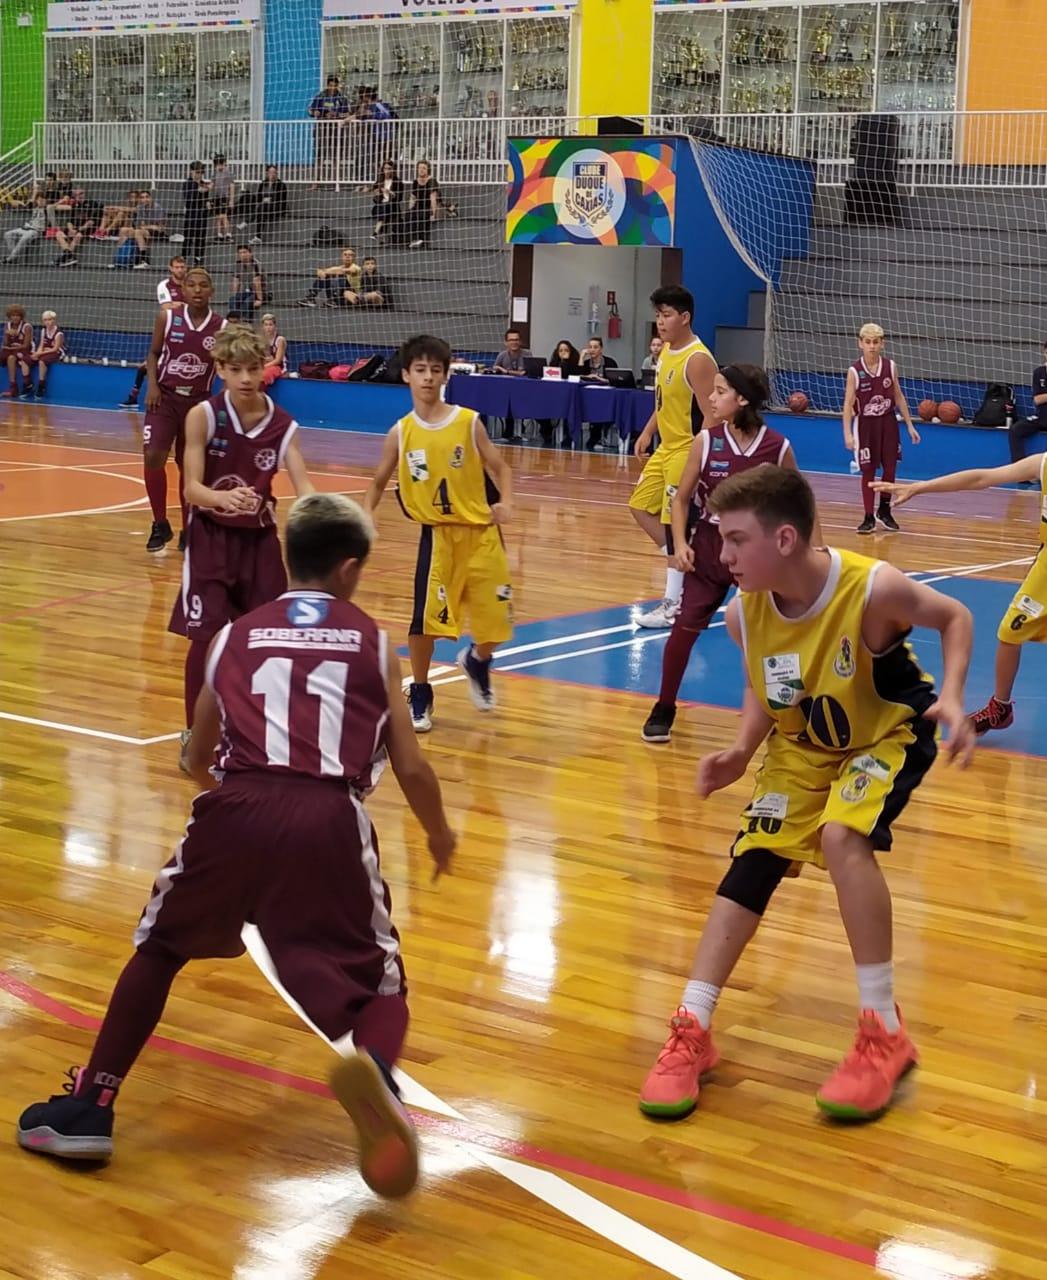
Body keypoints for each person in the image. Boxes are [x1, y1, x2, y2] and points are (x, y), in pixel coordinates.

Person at [17, 490, 457, 1202]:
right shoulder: (373, 643)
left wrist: (230, 811)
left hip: (234, 806)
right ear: (350, 569)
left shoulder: (234, 636)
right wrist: (438, 834)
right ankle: (375, 1073)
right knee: (381, 986)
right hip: (327, 817)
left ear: (288, 557)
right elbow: (410, 766)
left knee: (160, 948)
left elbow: (196, 753)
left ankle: (91, 1106)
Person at [638, 466, 974, 1125]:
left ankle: (883, 1031)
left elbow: (955, 617)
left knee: (841, 836)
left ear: (785, 538)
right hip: (802, 746)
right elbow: (764, 686)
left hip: (884, 733)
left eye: (736, 540)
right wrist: (740, 751)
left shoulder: (871, 588)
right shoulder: (744, 613)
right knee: (753, 858)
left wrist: (956, 698)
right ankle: (691, 1025)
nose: (723, 555)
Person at [640, 364, 815, 744]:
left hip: (759, 553)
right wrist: (680, 544)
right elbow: (681, 499)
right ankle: (664, 706)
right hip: (708, 547)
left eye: (721, 392)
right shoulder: (705, 441)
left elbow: (801, 500)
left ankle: (786, 713)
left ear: (743, 399)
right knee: (683, 629)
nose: (712, 398)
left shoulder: (777, 446)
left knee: (774, 636)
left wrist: (813, 549)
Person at [168, 325, 314, 768]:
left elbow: (305, 488)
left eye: (253, 368)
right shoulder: (203, 416)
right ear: (220, 370)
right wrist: (221, 498)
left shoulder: (284, 425)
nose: (247, 378)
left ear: (265, 367)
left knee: (269, 639)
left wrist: (324, 517)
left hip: (259, 542)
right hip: (210, 539)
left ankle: (262, 732)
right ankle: (195, 733)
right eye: (236, 370)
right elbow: (191, 489)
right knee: (206, 638)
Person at [362, 333, 513, 733]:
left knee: (498, 619)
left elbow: (501, 468)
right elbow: (377, 482)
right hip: (438, 537)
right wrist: (367, 515)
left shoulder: (468, 421)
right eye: (420, 370)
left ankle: (478, 660)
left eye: (435, 370)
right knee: (424, 622)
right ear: (406, 375)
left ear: (445, 375)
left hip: (482, 533)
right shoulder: (401, 432)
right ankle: (421, 689)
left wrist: (507, 501)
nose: (428, 377)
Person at [872, 451, 1047, 736]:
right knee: (1009, 633)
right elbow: (981, 477)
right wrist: (920, 487)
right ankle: (1000, 708)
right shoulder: (1043, 463)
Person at [630, 285, 717, 628]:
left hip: (686, 450)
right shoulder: (666, 350)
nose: (660, 322)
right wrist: (647, 431)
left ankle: (673, 603)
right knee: (639, 506)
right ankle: (687, 560)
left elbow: (713, 413)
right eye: (657, 315)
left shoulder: (698, 359)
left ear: (685, 317)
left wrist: (700, 457)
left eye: (666, 315)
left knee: (673, 525)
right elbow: (664, 401)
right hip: (664, 448)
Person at [142, 268, 225, 553]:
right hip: (164, 397)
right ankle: (159, 523)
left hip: (198, 404)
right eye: (191, 285)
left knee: (188, 466)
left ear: (212, 291)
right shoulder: (167, 317)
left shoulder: (222, 326)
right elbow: (153, 353)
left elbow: (227, 365)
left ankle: (190, 529)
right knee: (153, 456)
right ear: (184, 290)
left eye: (203, 285)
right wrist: (152, 386)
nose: (197, 290)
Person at [841, 322, 921, 534]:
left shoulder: (890, 367)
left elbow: (899, 396)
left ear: (882, 344)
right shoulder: (854, 371)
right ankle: (868, 516)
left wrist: (910, 425)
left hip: (888, 422)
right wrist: (847, 434)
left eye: (875, 342)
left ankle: (884, 510)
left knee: (890, 467)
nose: (872, 346)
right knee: (868, 470)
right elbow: (848, 404)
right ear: (860, 343)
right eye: (868, 342)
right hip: (866, 425)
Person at [121, 258, 190, 409]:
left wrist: (177, 305)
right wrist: (182, 305)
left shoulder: (190, 284)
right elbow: (166, 307)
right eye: (177, 267)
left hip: (188, 332)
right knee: (146, 366)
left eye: (182, 267)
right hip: (168, 330)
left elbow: (192, 308)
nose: (180, 270)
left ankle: (179, 402)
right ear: (170, 268)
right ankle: (133, 397)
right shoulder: (164, 285)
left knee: (179, 367)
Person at [1007, 340, 1047, 465]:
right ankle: (1019, 468)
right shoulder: (1039, 372)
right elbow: (1037, 400)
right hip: (1041, 417)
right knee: (1015, 430)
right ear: (1044, 353)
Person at [308, 75, 350, 188]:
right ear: (327, 85)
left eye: (335, 86)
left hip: (336, 130)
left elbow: (347, 114)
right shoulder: (320, 96)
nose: (333, 88)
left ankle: (336, 181)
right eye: (331, 86)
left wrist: (337, 115)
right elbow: (310, 110)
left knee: (336, 155)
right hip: (322, 129)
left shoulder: (342, 98)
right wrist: (315, 113)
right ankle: (316, 181)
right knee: (319, 155)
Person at [110, 190, 167, 271]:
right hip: (144, 230)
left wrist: (147, 226)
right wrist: (143, 226)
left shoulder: (158, 208)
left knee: (138, 232)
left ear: (151, 198)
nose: (145, 199)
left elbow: (160, 227)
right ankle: (119, 258)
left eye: (147, 197)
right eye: (142, 198)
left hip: (157, 233)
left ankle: (144, 261)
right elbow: (140, 224)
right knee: (124, 230)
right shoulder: (140, 208)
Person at [234, 164, 288, 245]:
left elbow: (282, 199)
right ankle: (257, 237)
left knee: (261, 208)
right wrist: (263, 200)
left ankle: (246, 223)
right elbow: (258, 197)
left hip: (277, 206)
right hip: (263, 207)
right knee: (261, 211)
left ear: (277, 173)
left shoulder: (281, 185)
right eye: (270, 172)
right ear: (267, 173)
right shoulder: (263, 183)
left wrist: (271, 200)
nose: (272, 174)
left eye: (274, 172)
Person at [296, 247, 362, 308]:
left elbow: (345, 271)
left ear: (354, 258)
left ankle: (335, 300)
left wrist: (325, 271)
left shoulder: (356, 268)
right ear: (342, 257)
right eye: (345, 255)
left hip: (350, 297)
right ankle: (311, 297)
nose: (347, 256)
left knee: (340, 275)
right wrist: (322, 272)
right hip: (339, 297)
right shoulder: (340, 267)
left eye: (350, 255)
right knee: (326, 276)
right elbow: (321, 271)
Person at [21, 310, 64, 399]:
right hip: (45, 351)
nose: (47, 322)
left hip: (56, 353)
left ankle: (41, 386)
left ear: (54, 320)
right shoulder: (43, 330)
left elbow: (55, 349)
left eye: (50, 319)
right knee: (25, 359)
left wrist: (40, 353)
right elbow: (41, 345)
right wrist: (37, 353)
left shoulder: (59, 333)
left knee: (42, 361)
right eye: (45, 320)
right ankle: (28, 384)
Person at [404, 160, 440, 249]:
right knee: (409, 214)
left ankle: (421, 239)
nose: (421, 170)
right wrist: (410, 209)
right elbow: (413, 197)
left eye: (424, 168)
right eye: (419, 168)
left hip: (428, 206)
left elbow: (433, 198)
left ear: (428, 170)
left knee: (422, 215)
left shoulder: (432, 181)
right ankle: (412, 239)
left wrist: (433, 213)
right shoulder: (415, 181)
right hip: (418, 205)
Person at [179, 162, 210, 266]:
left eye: (201, 172)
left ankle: (198, 259)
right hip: (191, 215)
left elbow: (205, 199)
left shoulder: (204, 184)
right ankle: (184, 258)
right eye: (197, 172)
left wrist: (208, 202)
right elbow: (188, 199)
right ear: (191, 171)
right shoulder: (188, 183)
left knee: (200, 238)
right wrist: (199, 191)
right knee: (188, 238)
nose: (199, 175)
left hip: (202, 215)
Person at [3, 193, 47, 263]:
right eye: (39, 200)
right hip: (26, 228)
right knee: (7, 234)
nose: (41, 202)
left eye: (43, 201)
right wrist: (20, 202)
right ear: (36, 201)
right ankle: (13, 256)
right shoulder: (33, 207)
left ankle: (10, 258)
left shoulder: (47, 209)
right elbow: (15, 203)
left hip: (36, 231)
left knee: (24, 238)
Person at [369, 160, 405, 244]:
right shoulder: (379, 180)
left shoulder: (398, 182)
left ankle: (376, 233)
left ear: (393, 169)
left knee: (386, 208)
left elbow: (400, 198)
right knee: (383, 209)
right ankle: (379, 234)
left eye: (389, 168)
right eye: (385, 168)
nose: (387, 171)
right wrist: (377, 194)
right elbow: (375, 199)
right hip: (380, 206)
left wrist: (391, 193)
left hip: (393, 207)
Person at [1, 304, 32, 398]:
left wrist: (10, 348)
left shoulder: (27, 326)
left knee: (14, 354)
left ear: (21, 316)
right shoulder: (7, 325)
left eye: (17, 315)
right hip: (13, 351)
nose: (15, 317)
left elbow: (26, 346)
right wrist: (7, 334)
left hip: (25, 350)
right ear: (9, 316)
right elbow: (5, 344)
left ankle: (27, 384)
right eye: (13, 315)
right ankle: (13, 388)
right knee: (9, 358)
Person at [228, 244, 267, 316]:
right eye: (240, 253)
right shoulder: (238, 264)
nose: (242, 255)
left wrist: (259, 299)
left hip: (258, 292)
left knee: (248, 302)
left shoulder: (255, 264)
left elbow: (257, 282)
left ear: (250, 253)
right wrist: (235, 295)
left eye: (245, 252)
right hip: (246, 292)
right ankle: (234, 319)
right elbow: (236, 281)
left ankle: (245, 320)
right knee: (233, 300)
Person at [209, 155, 235, 242]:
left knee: (224, 216)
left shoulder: (228, 173)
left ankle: (228, 234)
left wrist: (231, 200)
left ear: (224, 164)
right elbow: (212, 185)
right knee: (218, 216)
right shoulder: (214, 174)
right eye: (217, 165)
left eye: (221, 164)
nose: (220, 166)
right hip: (217, 197)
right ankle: (219, 234)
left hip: (225, 197)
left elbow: (232, 186)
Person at [259, 312, 286, 388]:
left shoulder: (280, 340)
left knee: (263, 375)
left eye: (270, 325)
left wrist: (264, 366)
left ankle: (261, 393)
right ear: (263, 326)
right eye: (266, 325)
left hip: (279, 367)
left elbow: (278, 361)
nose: (268, 327)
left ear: (275, 326)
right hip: (267, 365)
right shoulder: (262, 339)